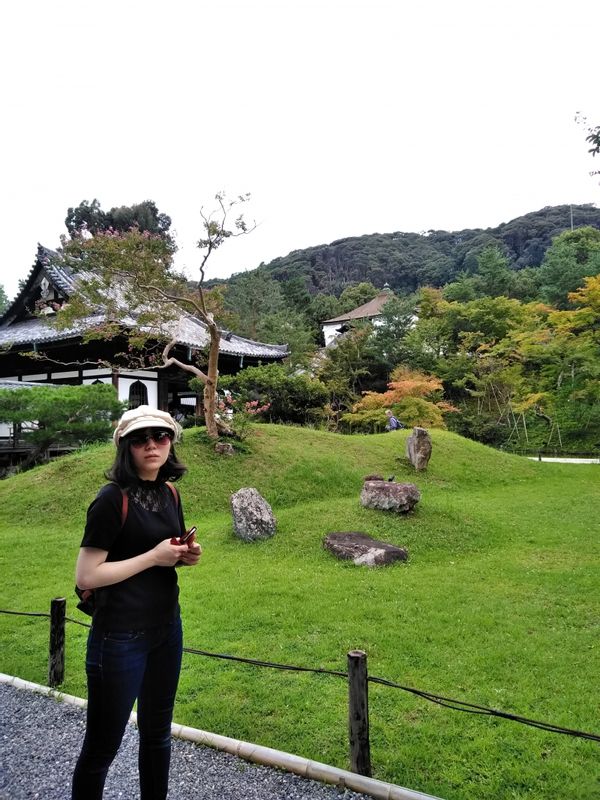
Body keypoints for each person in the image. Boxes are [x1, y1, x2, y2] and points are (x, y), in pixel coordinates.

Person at [71, 405, 202, 800]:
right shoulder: (111, 500)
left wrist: (186, 554)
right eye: (140, 439)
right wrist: (153, 557)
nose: (152, 445)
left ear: (170, 444)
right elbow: (87, 576)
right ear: (125, 447)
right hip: (120, 637)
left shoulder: (169, 492)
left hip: (166, 628)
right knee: (102, 747)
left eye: (160, 437)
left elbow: (167, 549)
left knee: (158, 735)